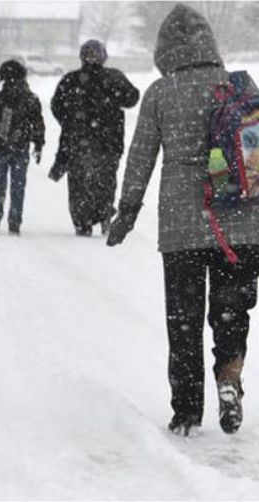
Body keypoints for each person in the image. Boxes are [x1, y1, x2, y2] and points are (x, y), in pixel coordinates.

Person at [106, 4, 259, 436]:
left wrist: (127, 212)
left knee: (184, 320)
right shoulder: (236, 88)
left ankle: (187, 411)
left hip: (182, 227)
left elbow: (139, 160)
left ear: (165, 49)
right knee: (231, 311)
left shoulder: (160, 93)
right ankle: (229, 378)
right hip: (241, 223)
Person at [49, 39, 139, 236]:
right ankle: (103, 213)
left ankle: (83, 221)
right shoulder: (113, 77)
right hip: (109, 142)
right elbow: (132, 97)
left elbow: (57, 106)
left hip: (79, 142)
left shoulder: (71, 80)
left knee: (79, 183)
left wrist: (70, 121)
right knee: (105, 181)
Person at [0, 60, 45, 235]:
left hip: (0, 147)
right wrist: (38, 144)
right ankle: (14, 220)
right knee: (18, 186)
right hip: (20, 148)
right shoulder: (31, 99)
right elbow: (38, 124)